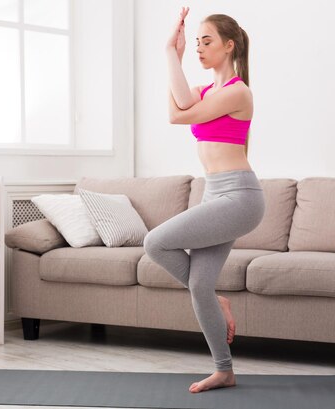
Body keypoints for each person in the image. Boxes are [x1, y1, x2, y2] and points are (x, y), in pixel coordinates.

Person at [142, 7, 265, 393]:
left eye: (206, 41)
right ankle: (224, 371)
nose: (198, 47)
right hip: (216, 193)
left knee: (154, 241)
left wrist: (171, 57)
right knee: (198, 286)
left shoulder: (238, 91)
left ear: (229, 46)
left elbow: (181, 117)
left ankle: (214, 298)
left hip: (239, 196)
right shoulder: (205, 91)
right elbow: (173, 110)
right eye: (195, 42)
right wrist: (173, 56)